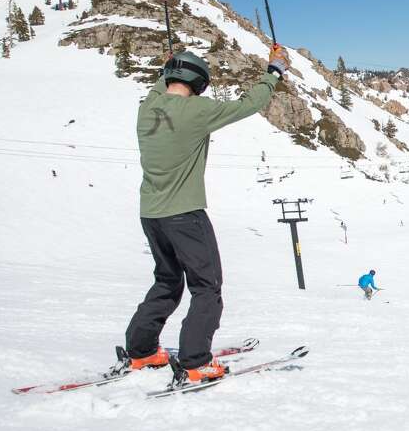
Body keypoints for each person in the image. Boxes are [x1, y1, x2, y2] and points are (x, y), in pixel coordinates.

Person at [123, 45, 290, 384]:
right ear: (199, 82)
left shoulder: (148, 107)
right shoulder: (197, 111)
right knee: (207, 286)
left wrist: (168, 65)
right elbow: (249, 104)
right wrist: (273, 70)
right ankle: (196, 360)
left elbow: (161, 85)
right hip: (185, 214)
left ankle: (141, 351)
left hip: (151, 215)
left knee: (167, 280)